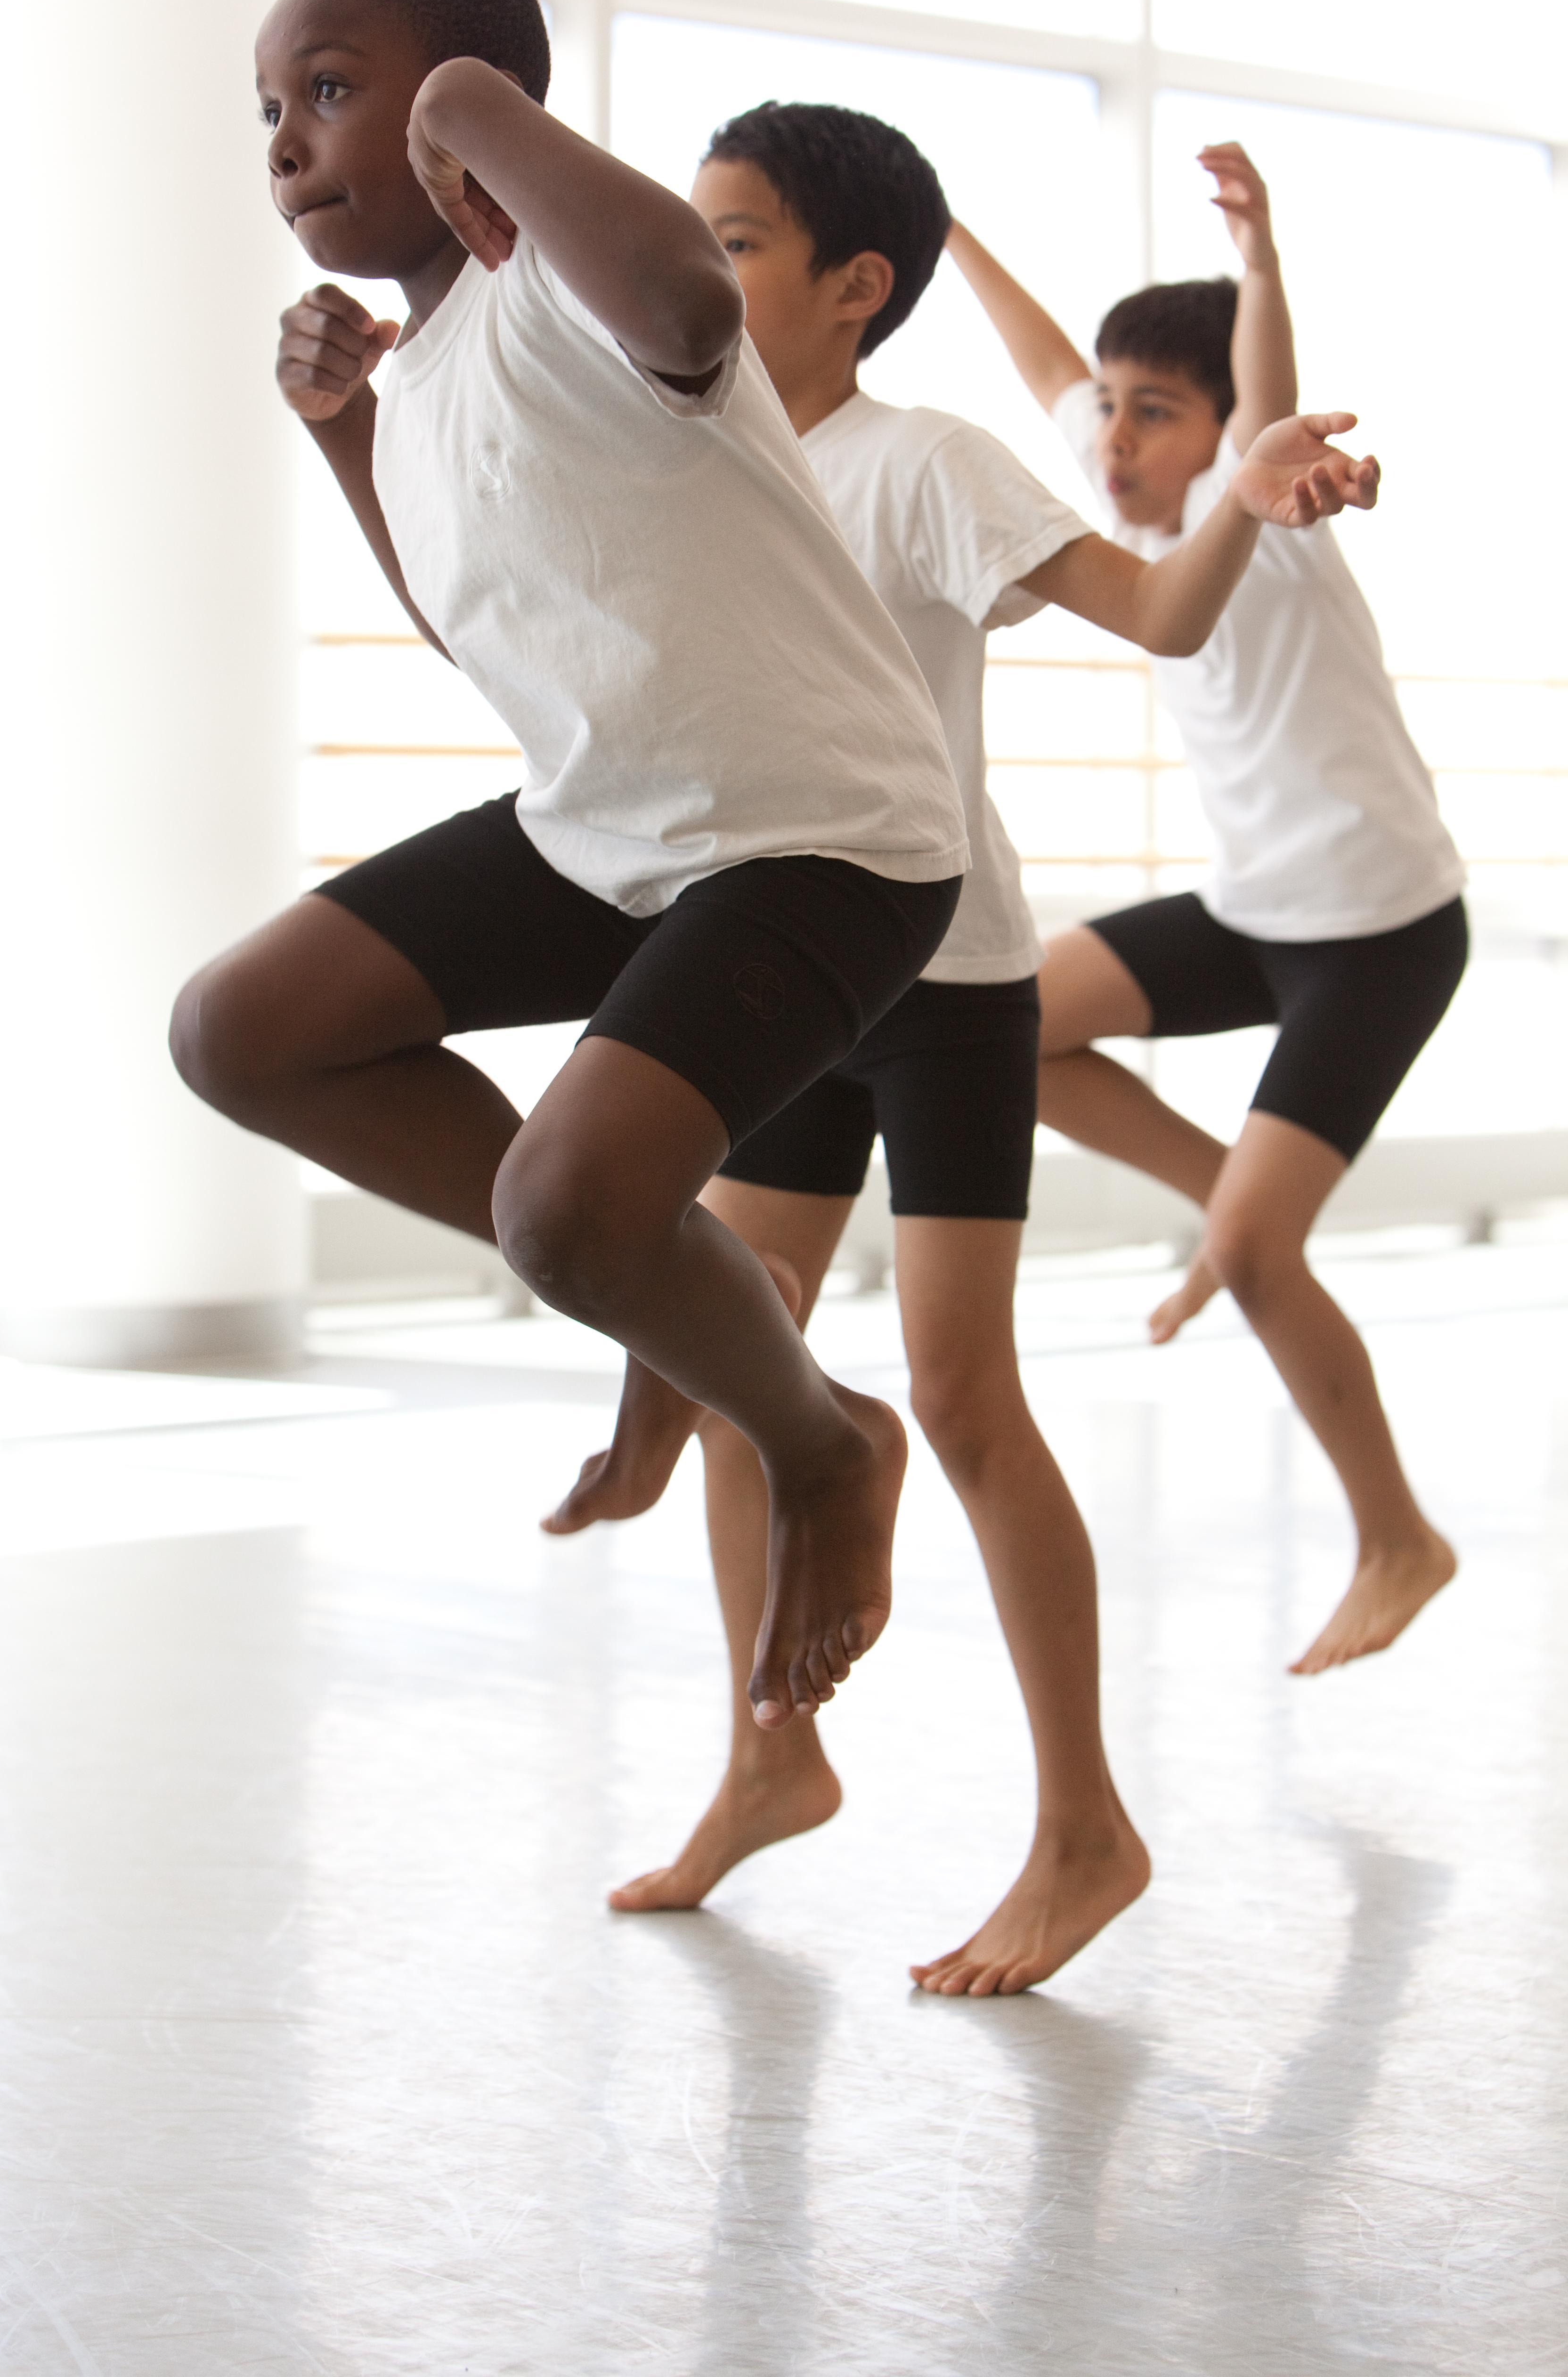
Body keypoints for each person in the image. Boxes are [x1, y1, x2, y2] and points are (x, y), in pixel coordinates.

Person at [545, 103, 1381, 1992]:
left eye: (737, 239)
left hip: (942, 978)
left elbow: (1160, 612)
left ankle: (1086, 1829)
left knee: (959, 1395)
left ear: (853, 291)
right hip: (770, 977)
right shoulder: (695, 458)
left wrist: (1243, 493)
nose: (697, 263)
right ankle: (773, 1756)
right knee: (741, 1350)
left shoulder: (922, 463)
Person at [171, 0, 981, 1729]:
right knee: (243, 1031)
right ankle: (674, 1286)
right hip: (610, 824)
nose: (290, 142)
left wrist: (474, 108)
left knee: (563, 1210)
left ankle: (824, 1440)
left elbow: (695, 308)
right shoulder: (439, 356)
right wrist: (341, 425)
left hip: (822, 838)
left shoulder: (574, 275)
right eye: (268, 113)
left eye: (331, 89)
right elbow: (480, 620)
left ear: (476, 106)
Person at [947, 142, 1463, 1679]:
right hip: (1252, 909)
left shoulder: (1270, 529)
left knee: (1256, 1262)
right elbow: (1042, 355)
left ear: (1229, 434)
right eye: (1113, 408)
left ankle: (1398, 1539)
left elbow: (1272, 400)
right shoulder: (1138, 511)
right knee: (1007, 1024)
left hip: (1377, 935)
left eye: (1155, 412)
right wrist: (942, 219)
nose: (1113, 435)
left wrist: (1261, 267)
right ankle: (1230, 1203)